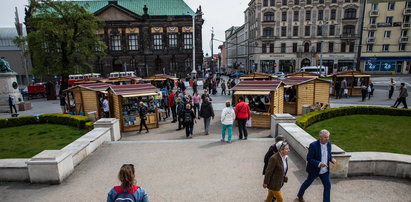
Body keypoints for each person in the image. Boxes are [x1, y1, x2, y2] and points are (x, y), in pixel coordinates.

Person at [297, 129, 337, 202]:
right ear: (320, 137)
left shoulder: (329, 144)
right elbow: (309, 158)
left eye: (328, 137)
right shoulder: (313, 145)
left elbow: (329, 155)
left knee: (328, 186)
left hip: (325, 170)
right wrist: (319, 163)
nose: (327, 139)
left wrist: (331, 159)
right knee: (308, 183)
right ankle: (300, 194)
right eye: (325, 137)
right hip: (314, 169)